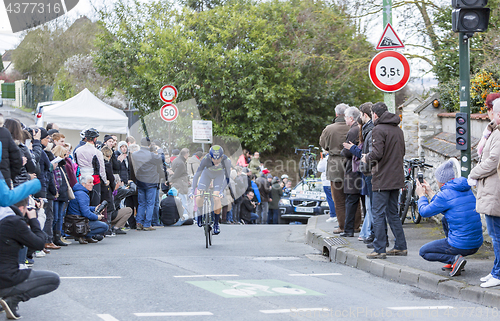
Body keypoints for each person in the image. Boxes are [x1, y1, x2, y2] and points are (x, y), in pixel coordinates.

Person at [416, 159, 483, 277]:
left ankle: (454, 259)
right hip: (476, 244)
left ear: (440, 181)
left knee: (424, 252)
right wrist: (430, 192)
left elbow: (424, 212)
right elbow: (447, 205)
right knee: (445, 219)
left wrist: (421, 195)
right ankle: (455, 260)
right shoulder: (464, 189)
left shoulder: (445, 195)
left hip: (461, 245)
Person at [0, 198, 60, 320]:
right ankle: (12, 299)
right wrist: (33, 220)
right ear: (22, 208)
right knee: (53, 279)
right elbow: (39, 244)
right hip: (7, 277)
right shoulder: (13, 222)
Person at [362, 102, 407, 259]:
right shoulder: (398, 130)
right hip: (396, 177)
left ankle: (379, 248)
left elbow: (377, 153)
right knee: (392, 212)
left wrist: (366, 157)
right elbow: (403, 152)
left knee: (378, 213)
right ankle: (401, 246)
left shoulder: (378, 129)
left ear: (375, 114)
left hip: (382, 178)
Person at [469, 96, 500, 288]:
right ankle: (496, 271)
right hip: (492, 188)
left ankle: (498, 274)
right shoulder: (495, 131)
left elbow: (493, 160)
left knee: (496, 235)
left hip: (494, 190)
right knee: (495, 234)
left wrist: (474, 173)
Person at [319, 103, 349, 234]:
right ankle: (355, 224)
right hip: (351, 163)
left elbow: (323, 144)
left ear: (336, 114)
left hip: (335, 164)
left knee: (338, 199)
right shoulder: (352, 127)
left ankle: (342, 226)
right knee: (353, 197)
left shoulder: (329, 129)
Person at [192, 145, 233, 234]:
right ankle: (200, 213)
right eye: (214, 159)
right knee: (199, 196)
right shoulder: (205, 159)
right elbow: (196, 176)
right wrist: (192, 191)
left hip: (219, 175)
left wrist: (221, 191)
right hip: (207, 175)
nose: (216, 161)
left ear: (222, 157)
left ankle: (216, 223)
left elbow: (227, 178)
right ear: (210, 157)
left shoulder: (226, 161)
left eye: (218, 159)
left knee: (216, 197)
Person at [130, 138, 164, 231]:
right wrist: (160, 150)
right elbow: (161, 159)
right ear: (149, 145)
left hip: (140, 181)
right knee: (150, 203)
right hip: (151, 181)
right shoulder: (152, 155)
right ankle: (147, 224)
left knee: (141, 203)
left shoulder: (135, 154)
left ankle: (139, 222)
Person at [340, 106, 362, 237]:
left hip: (353, 170)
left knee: (351, 200)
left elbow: (348, 151)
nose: (345, 120)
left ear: (351, 118)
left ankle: (348, 230)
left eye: (346, 117)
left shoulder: (353, 131)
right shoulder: (360, 129)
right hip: (360, 169)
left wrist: (343, 151)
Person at [66, 175, 109, 244]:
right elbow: (85, 213)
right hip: (78, 222)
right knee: (105, 226)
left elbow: (82, 208)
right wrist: (97, 217)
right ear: (83, 184)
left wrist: (95, 208)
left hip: (74, 221)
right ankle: (82, 235)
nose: (92, 184)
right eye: (90, 182)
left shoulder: (79, 192)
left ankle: (87, 237)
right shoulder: (82, 194)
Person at [317, 150, 336, 223]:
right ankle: (336, 214)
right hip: (334, 181)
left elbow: (319, 168)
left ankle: (333, 215)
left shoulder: (325, 159)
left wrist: (321, 160)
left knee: (330, 199)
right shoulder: (335, 158)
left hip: (326, 182)